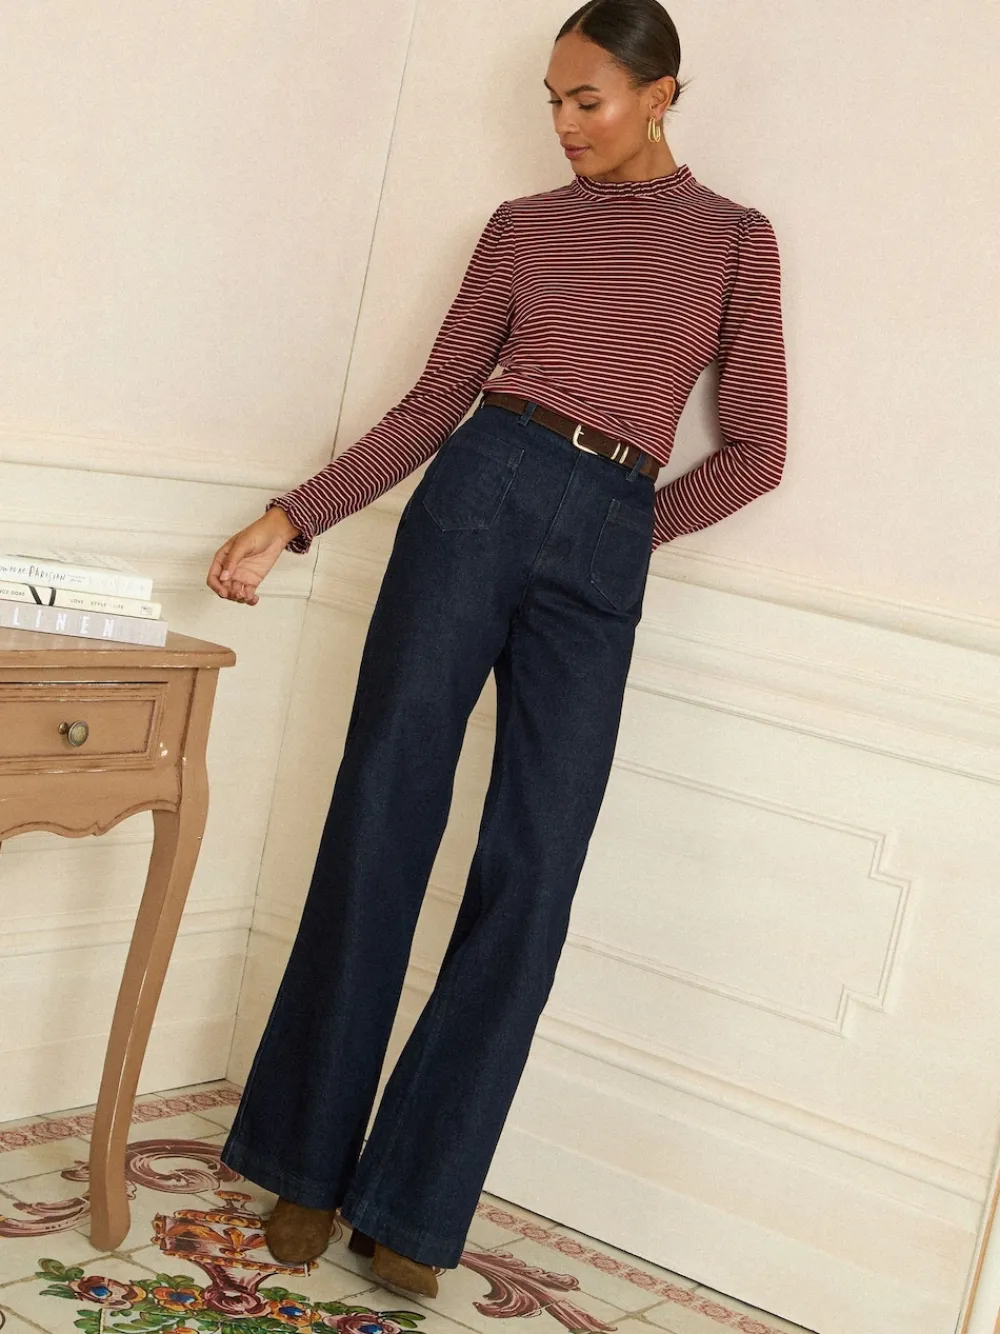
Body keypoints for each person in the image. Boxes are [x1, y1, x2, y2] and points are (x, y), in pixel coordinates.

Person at [206, 0, 788, 1303]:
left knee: (535, 868)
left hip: (605, 533)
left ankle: (413, 1203)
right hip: (475, 498)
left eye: (589, 98)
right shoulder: (522, 227)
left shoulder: (735, 241)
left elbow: (759, 449)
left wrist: (630, 532)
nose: (565, 123)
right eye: (552, 100)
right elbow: (432, 402)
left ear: (661, 94)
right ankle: (304, 1160)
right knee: (383, 814)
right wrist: (293, 516)